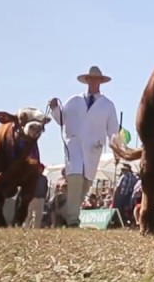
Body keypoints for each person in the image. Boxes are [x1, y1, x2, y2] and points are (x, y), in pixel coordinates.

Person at [48, 65, 120, 227]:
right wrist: (54, 108)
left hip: (93, 149)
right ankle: (73, 219)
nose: (94, 81)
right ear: (87, 80)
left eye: (97, 79)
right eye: (91, 78)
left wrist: (117, 151)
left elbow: (113, 131)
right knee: (75, 178)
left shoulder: (108, 105)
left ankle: (66, 212)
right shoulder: (74, 101)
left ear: (101, 81)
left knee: (85, 185)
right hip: (73, 145)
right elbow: (61, 119)